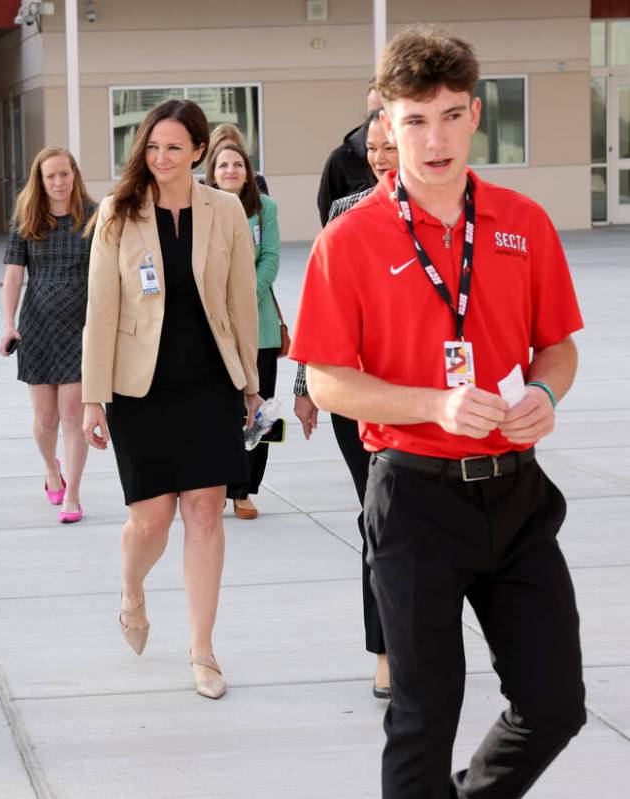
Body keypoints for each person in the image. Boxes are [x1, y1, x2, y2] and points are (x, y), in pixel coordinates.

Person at [291, 26, 587, 796]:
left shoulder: (522, 222)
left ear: (475, 115)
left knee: (554, 704)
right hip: (414, 494)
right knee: (423, 715)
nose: (435, 138)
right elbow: (325, 379)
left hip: (515, 492)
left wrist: (545, 396)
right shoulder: (348, 239)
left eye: (451, 115)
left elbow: (557, 348)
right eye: (415, 119)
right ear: (385, 124)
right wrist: (433, 403)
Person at [81, 99, 261, 700]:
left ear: (200, 152)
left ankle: (203, 650)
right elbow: (101, 310)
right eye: (152, 147)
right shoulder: (118, 212)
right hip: (140, 388)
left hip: (210, 381)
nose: (161, 158)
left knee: (206, 512)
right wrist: (91, 398)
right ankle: (132, 589)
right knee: (150, 521)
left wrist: (251, 387)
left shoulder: (227, 209)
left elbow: (241, 303)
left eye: (174, 148)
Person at [293, 108, 399, 699]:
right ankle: (385, 649)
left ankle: (422, 636)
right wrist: (305, 389)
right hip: (356, 397)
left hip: (429, 396)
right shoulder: (343, 216)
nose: (381, 159)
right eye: (374, 149)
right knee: (379, 517)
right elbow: (319, 309)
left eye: (391, 147)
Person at [0, 146, 95, 523]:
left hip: (80, 327)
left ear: (74, 175)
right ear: (40, 180)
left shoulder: (93, 215)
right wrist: (9, 323)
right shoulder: (27, 217)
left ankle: (72, 493)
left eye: (64, 173)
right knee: (45, 418)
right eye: (50, 175)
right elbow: (13, 273)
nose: (58, 181)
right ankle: (51, 471)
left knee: (73, 413)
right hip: (37, 325)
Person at [205, 139, 281, 521]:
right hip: (215, 329)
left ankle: (246, 490)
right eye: (223, 166)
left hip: (260, 326)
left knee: (262, 413)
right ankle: (219, 485)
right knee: (220, 413)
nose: (231, 171)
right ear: (213, 174)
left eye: (237, 164)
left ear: (248, 172)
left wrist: (242, 295)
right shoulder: (204, 211)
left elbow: (270, 258)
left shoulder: (265, 209)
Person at [315, 79, 381, 226]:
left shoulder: (414, 156)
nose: (380, 119)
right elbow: (328, 219)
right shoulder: (340, 159)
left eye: (386, 112)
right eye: (373, 114)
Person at [206, 123, 269, 195]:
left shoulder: (258, 183)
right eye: (220, 150)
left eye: (233, 148)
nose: (231, 171)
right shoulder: (200, 189)